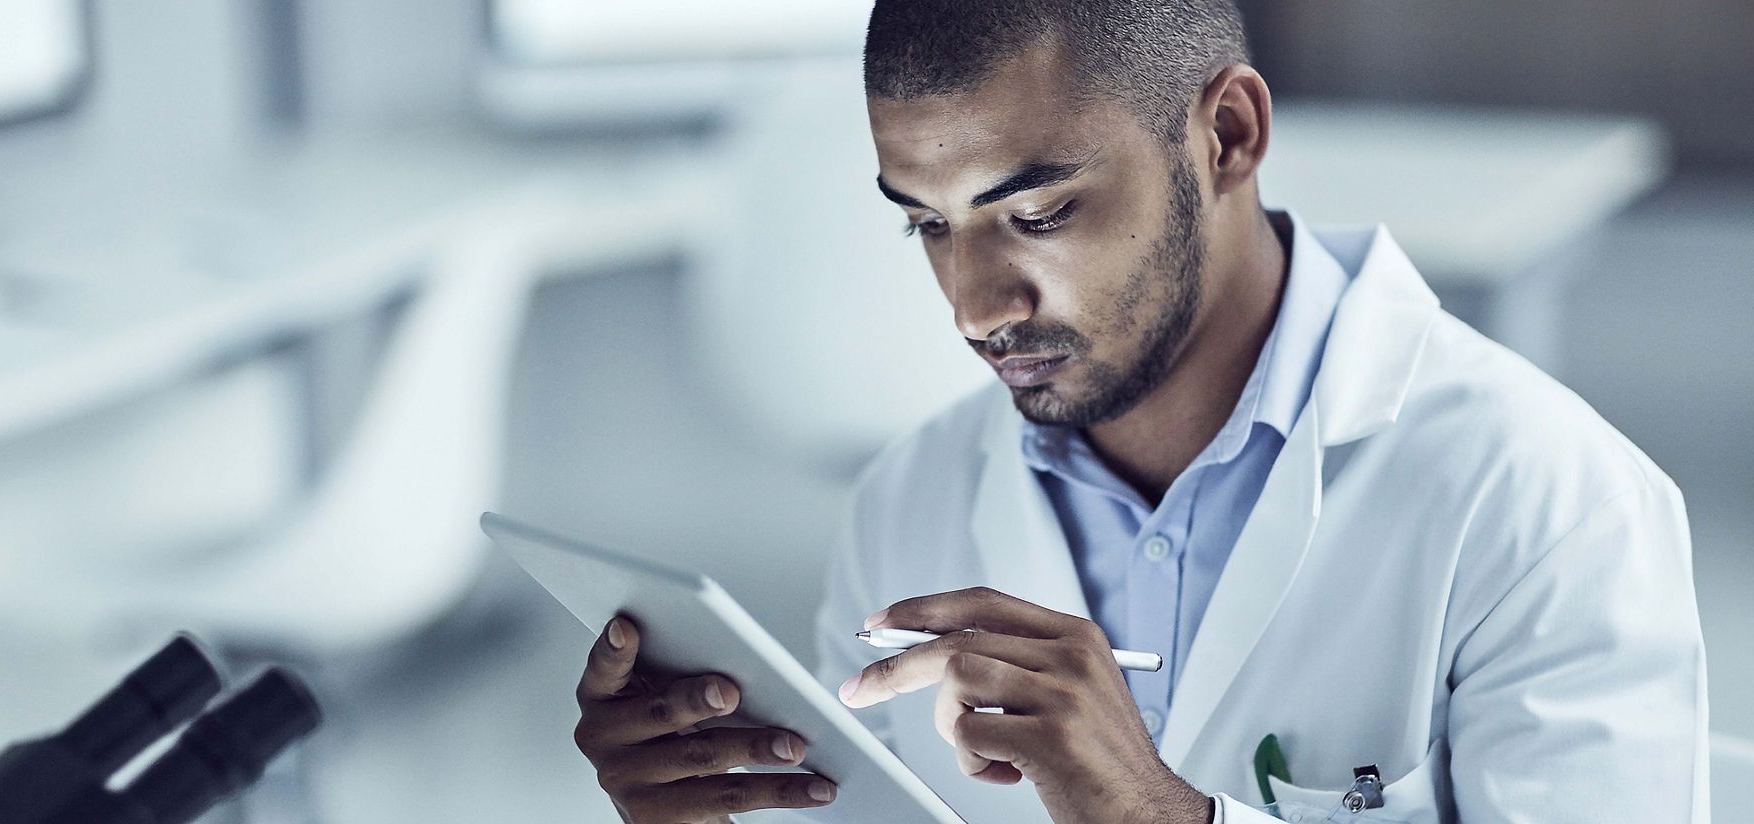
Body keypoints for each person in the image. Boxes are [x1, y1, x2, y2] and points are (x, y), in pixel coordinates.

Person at [568, 1, 1710, 821]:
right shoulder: (909, 500)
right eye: (926, 223)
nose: (972, 308)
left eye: (1042, 210)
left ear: (1227, 137)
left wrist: (1158, 817)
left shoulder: (1552, 506)